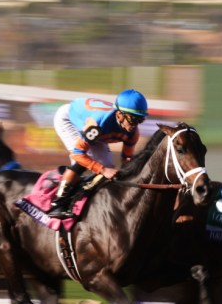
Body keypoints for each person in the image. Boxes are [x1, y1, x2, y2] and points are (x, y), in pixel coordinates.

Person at [48, 88, 148, 218]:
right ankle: (58, 203)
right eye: (133, 119)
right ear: (119, 115)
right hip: (69, 120)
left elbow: (127, 160)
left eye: (140, 120)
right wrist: (102, 169)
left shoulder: (133, 133)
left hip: (96, 130)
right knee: (87, 162)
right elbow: (78, 154)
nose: (135, 125)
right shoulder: (98, 124)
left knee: (108, 165)